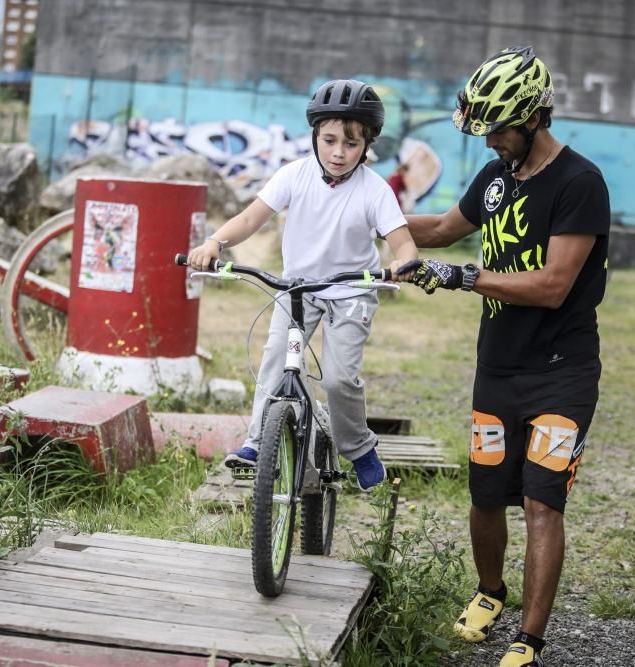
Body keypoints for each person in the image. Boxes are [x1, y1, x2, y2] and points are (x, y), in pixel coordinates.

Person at [399, 46, 610, 667]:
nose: (489, 140)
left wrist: (463, 279)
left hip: (562, 374)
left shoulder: (580, 183)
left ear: (531, 119)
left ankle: (530, 637)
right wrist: (365, 217)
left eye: (497, 128)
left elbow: (552, 286)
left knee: (543, 499)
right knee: (487, 493)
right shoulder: (497, 176)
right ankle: (490, 594)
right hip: (497, 368)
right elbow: (439, 228)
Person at [187, 79, 418, 491]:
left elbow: (401, 240)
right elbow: (249, 219)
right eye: (329, 140)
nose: (338, 152)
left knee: (338, 378)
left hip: (351, 294)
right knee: (277, 357)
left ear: (367, 145)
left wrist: (404, 261)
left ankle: (359, 446)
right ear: (314, 136)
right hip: (298, 292)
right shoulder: (294, 175)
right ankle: (258, 441)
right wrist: (213, 242)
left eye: (351, 144)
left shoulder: (375, 191)